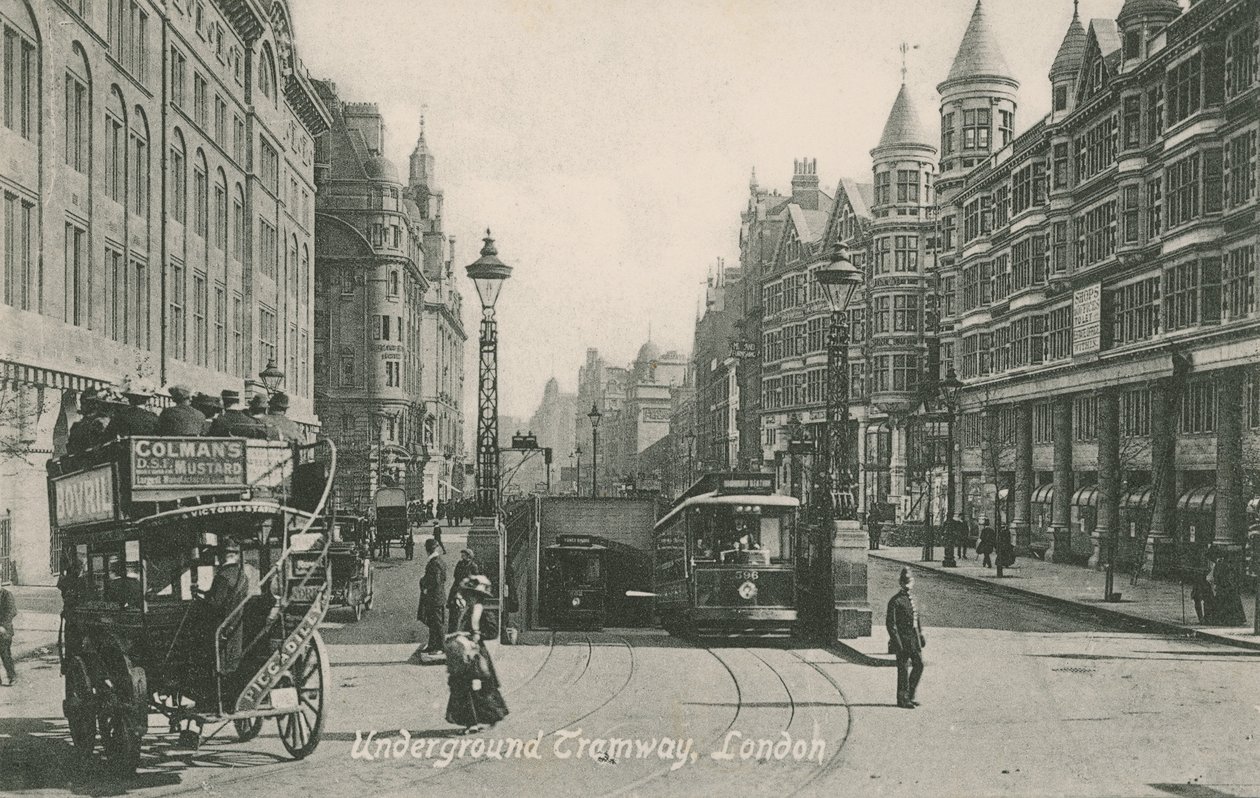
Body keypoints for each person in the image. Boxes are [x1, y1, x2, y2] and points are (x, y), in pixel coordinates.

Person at [444, 575, 509, 734]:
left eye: (470, 595)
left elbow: (493, 631)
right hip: (467, 653)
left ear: (477, 596)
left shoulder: (482, 611)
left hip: (477, 654)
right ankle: (475, 721)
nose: (468, 597)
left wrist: (478, 634)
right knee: (465, 687)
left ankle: (477, 721)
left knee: (474, 688)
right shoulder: (468, 610)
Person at [204, 542, 259, 673]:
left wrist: (204, 599)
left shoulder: (223, 576)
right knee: (233, 658)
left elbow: (216, 603)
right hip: (237, 624)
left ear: (222, 556)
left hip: (222, 625)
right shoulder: (243, 576)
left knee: (222, 661)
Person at [886, 567, 925, 710]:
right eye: (906, 582)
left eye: (910, 581)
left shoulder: (913, 599)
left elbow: (917, 619)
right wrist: (897, 642)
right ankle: (902, 698)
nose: (909, 584)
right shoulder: (895, 601)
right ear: (901, 583)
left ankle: (910, 694)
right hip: (902, 640)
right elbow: (891, 624)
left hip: (914, 639)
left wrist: (921, 635)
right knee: (903, 670)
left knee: (919, 665)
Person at [418, 539, 447, 654]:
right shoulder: (438, 561)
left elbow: (435, 580)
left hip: (434, 597)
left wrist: (424, 584)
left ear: (428, 550)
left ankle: (441, 647)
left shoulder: (434, 563)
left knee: (437, 623)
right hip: (437, 596)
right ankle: (432, 645)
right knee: (433, 622)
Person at [68, 389, 113, 455]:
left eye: (84, 403)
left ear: (93, 404)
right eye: (81, 402)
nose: (81, 406)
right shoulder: (76, 426)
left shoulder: (101, 421)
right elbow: (71, 448)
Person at [448, 549, 482, 633]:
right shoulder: (460, 564)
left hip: (466, 592)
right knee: (453, 613)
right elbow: (455, 575)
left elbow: (475, 580)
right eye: (462, 554)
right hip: (456, 590)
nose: (462, 556)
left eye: (464, 555)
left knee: (462, 615)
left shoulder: (473, 566)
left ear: (469, 556)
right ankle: (452, 632)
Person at [0, 579, 17, 686]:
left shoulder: (6, 595)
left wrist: (3, 626)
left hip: (4, 631)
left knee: (5, 654)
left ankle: (12, 676)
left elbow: (11, 611)